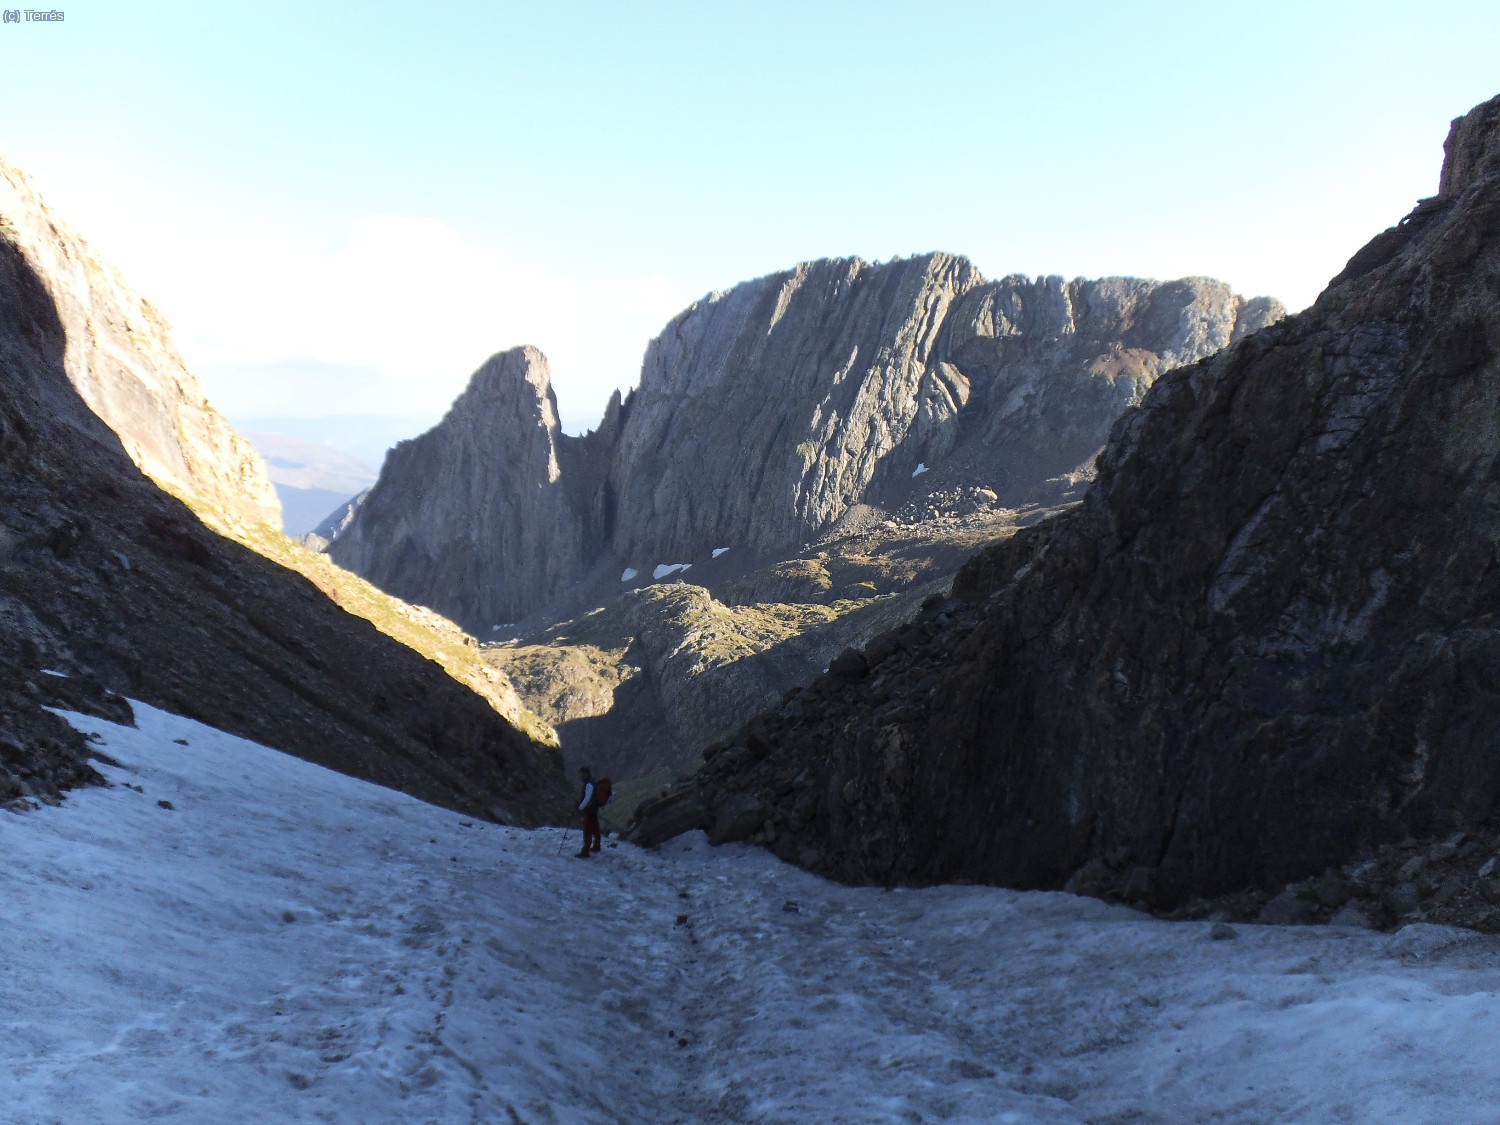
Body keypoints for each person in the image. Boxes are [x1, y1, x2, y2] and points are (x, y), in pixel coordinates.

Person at [576, 766, 602, 858]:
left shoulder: (589, 784)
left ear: (586, 773)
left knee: (587, 830)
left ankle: (585, 850)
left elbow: (587, 798)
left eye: (582, 774)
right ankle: (596, 845)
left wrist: (580, 807)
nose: (581, 776)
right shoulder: (592, 782)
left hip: (589, 810)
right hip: (594, 809)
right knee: (595, 828)